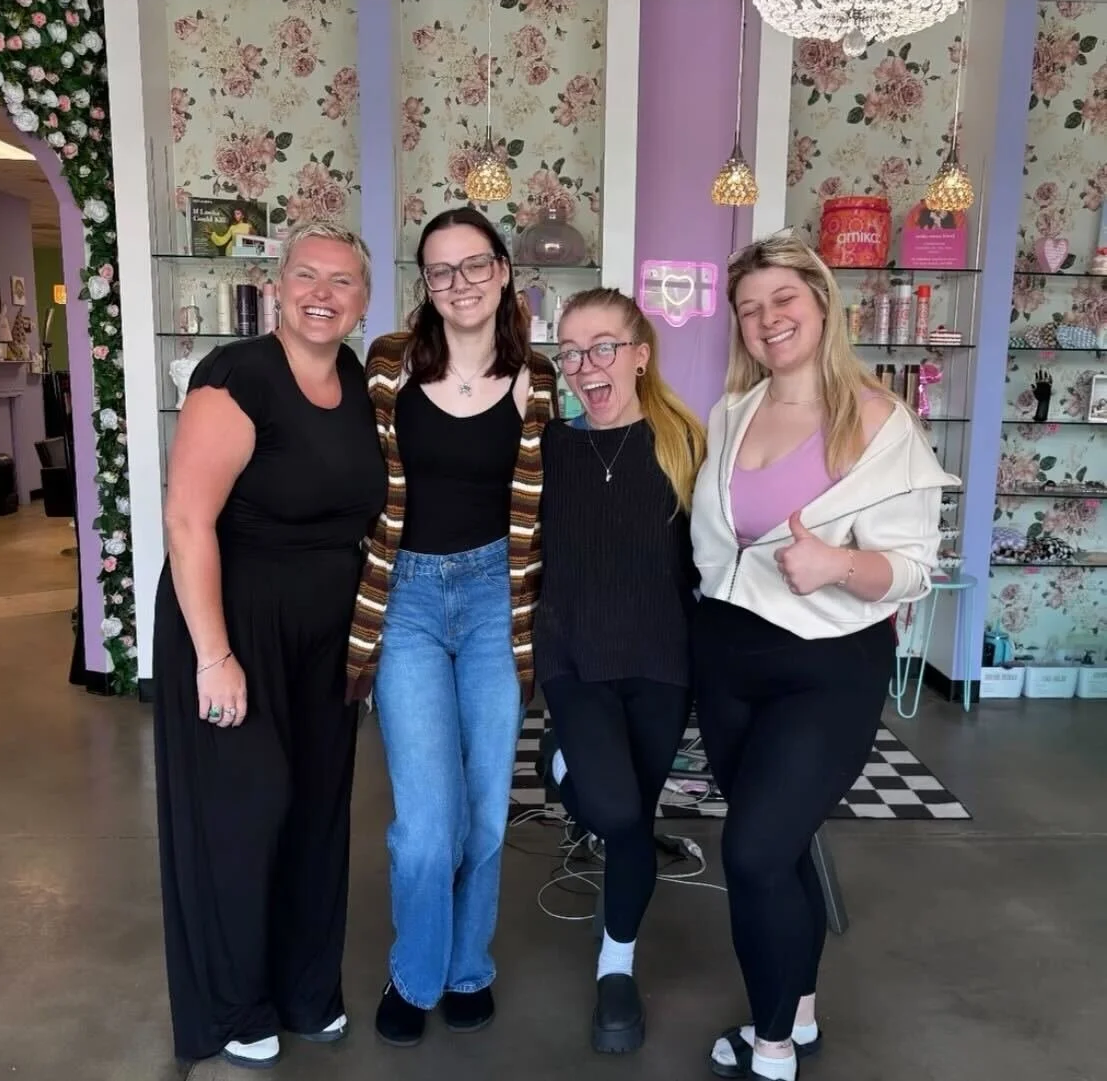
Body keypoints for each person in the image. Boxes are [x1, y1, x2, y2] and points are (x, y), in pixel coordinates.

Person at [688, 230, 961, 1081]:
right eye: (748, 308)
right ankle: (797, 1010)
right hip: (727, 655)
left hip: (826, 664)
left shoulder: (877, 421)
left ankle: (770, 1047)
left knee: (754, 850)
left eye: (781, 300)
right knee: (787, 842)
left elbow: (916, 566)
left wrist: (838, 563)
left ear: (820, 304)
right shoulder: (731, 411)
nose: (766, 319)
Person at [151, 221, 387, 1070]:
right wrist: (215, 655)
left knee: (320, 809)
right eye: (308, 276)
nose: (323, 294)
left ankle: (304, 988)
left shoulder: (359, 380)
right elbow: (187, 519)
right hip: (234, 620)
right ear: (276, 285)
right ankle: (236, 1000)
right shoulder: (238, 376)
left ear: (363, 298)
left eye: (344, 281)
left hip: (327, 633)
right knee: (247, 809)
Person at [344, 206, 559, 1047]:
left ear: (503, 271)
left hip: (495, 605)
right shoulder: (388, 365)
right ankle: (416, 969)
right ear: (424, 286)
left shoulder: (538, 376)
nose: (460, 283)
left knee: (485, 811)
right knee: (425, 821)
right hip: (406, 601)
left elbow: (556, 495)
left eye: (475, 265)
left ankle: (469, 964)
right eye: (441, 271)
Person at [532, 287, 706, 1054]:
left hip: (661, 663)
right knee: (617, 808)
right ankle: (563, 760)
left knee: (634, 815)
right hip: (574, 658)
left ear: (639, 354)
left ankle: (616, 964)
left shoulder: (686, 447)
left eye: (602, 346)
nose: (583, 366)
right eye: (569, 351)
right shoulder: (546, 449)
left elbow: (717, 564)